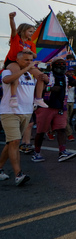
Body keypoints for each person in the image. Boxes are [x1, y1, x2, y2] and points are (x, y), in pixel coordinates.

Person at [30, 58, 76, 163]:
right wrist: (50, 89)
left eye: (63, 65)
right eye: (58, 65)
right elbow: (37, 89)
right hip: (45, 107)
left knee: (61, 129)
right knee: (41, 131)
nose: (61, 67)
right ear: (53, 67)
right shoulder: (45, 76)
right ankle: (36, 153)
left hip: (61, 108)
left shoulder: (67, 78)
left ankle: (62, 152)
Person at [0, 50, 36, 186]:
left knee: (11, 142)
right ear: (18, 60)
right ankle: (18, 174)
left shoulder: (29, 74)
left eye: (30, 60)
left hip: (26, 112)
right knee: (15, 141)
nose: (29, 62)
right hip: (10, 111)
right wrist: (27, 68)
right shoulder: (9, 71)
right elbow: (7, 80)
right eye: (26, 60)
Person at [4, 12, 48, 109]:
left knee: (40, 76)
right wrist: (11, 18)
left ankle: (38, 98)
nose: (32, 34)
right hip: (13, 61)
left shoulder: (31, 43)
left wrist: (30, 52)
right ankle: (13, 97)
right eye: (30, 31)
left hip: (26, 63)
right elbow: (13, 28)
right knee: (16, 73)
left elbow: (35, 55)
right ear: (23, 31)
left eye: (32, 32)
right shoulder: (16, 38)